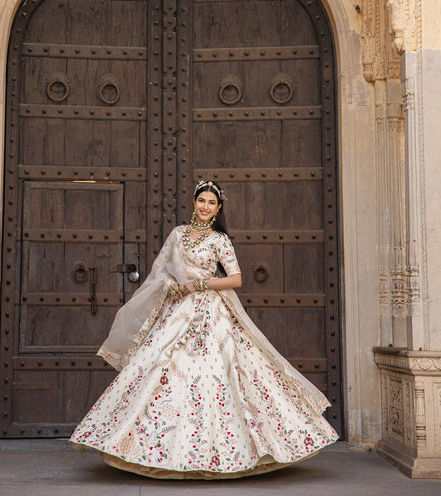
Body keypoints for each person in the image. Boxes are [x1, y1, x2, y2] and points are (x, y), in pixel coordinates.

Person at [69, 180, 338, 478]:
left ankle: (228, 451)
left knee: (219, 374)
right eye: (201, 201)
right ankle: (151, 450)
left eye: (212, 202)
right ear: (194, 202)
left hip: (212, 313)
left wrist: (199, 284)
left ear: (218, 207)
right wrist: (171, 286)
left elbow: (235, 279)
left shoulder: (220, 240)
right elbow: (160, 271)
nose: (206, 206)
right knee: (162, 370)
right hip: (178, 313)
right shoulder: (178, 234)